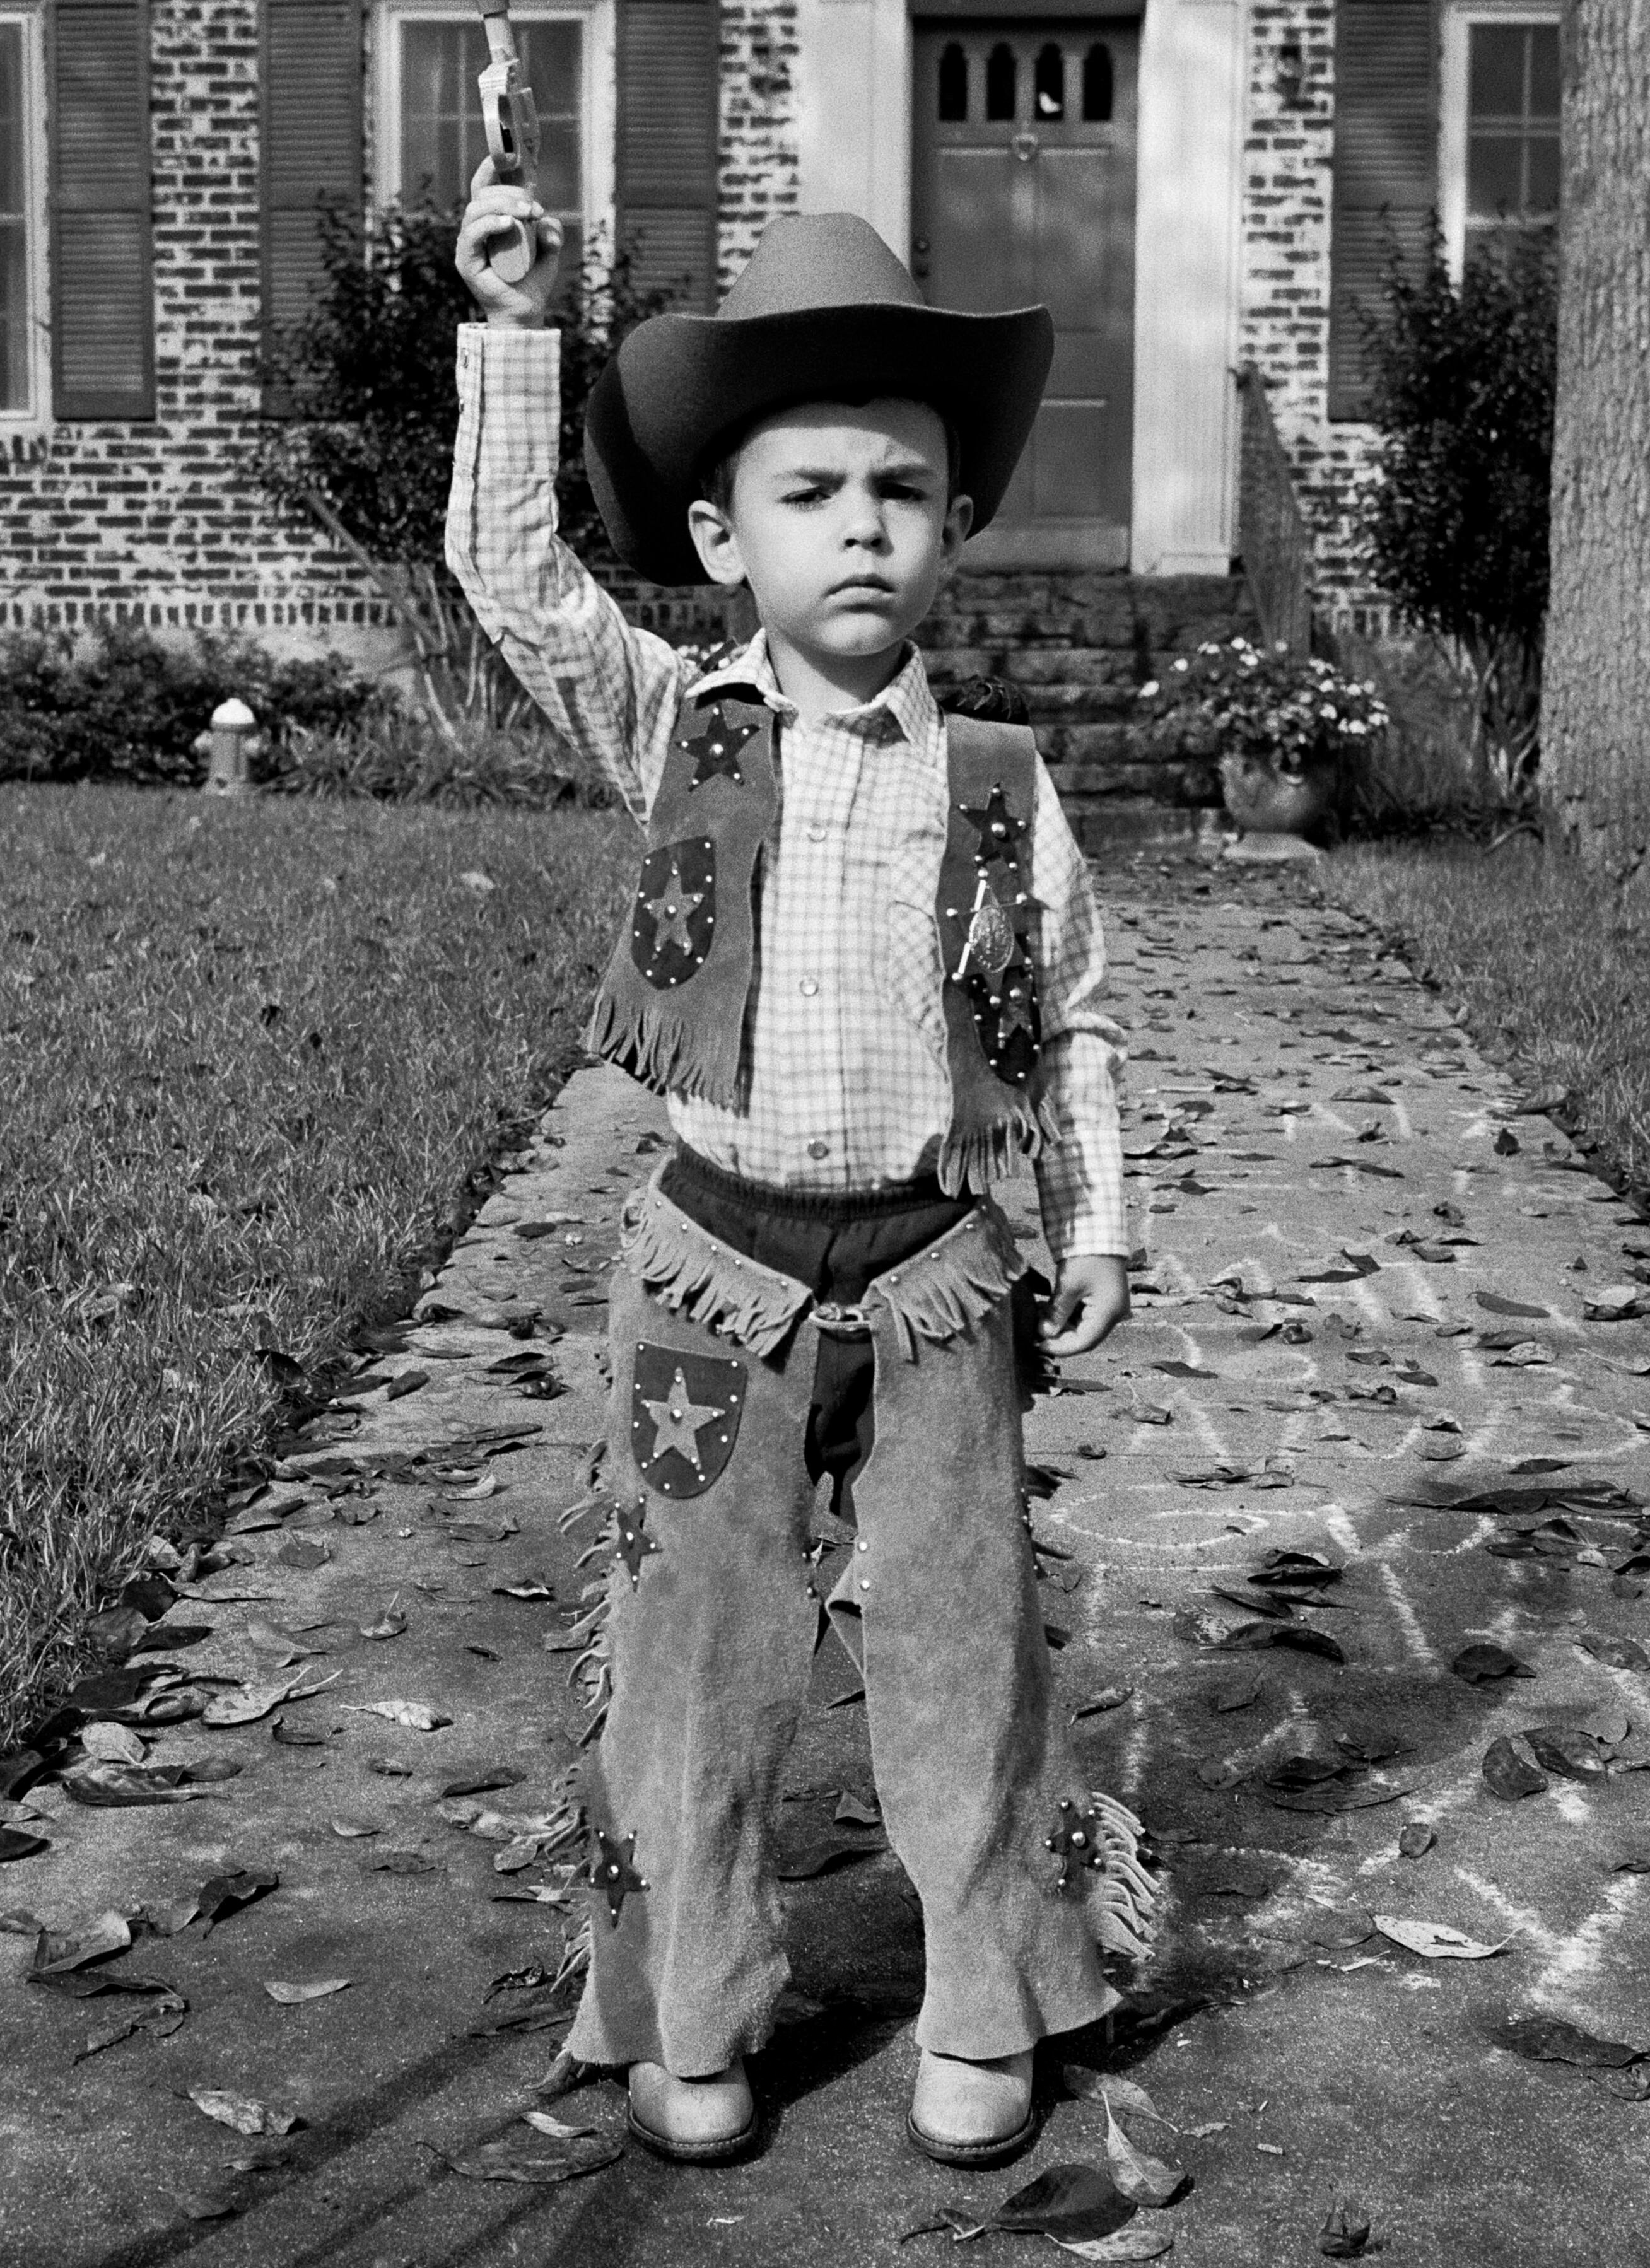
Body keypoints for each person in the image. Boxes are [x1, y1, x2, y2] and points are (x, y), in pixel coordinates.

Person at [445, 170, 1159, 2172]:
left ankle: (987, 1998)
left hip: (936, 1286)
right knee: (694, 1646)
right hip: (711, 1291)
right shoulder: (681, 726)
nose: (859, 526)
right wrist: (513, 330)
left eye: (901, 490)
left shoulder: (997, 781)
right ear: (720, 536)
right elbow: (512, 581)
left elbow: (1073, 1013)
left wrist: (1097, 1217)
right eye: (810, 491)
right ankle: (686, 2006)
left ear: (956, 523)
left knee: (965, 1641)